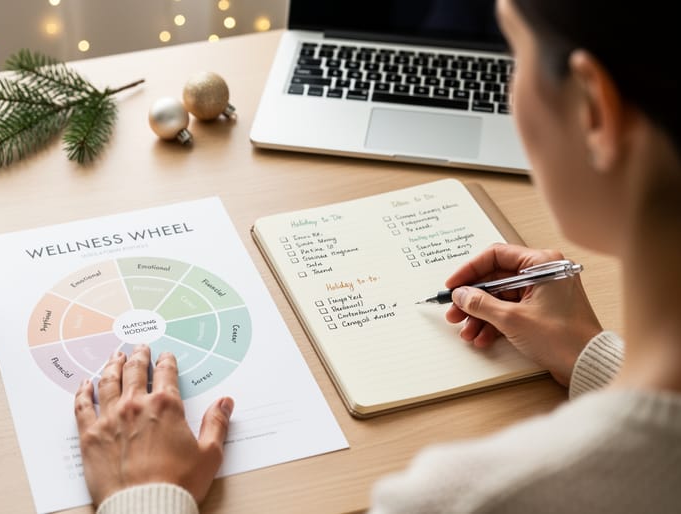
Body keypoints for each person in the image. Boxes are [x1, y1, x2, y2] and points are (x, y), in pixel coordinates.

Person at [73, 0, 681, 511]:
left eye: (513, 55)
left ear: (594, 111)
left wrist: (144, 494)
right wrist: (592, 358)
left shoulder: (467, 498)